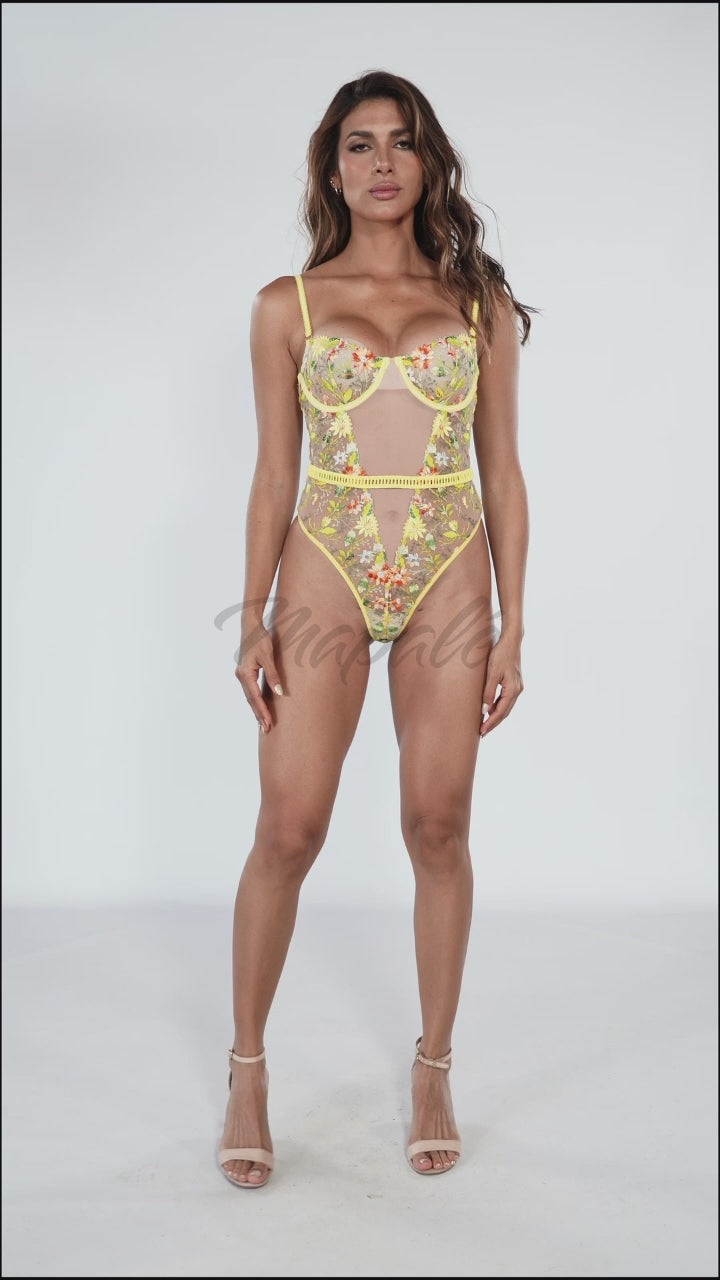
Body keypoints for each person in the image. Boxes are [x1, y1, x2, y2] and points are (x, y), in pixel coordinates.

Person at [219, 70, 534, 1188]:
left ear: (428, 160)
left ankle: (434, 1065)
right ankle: (247, 1069)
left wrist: (513, 627)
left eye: (402, 142)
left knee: (438, 823)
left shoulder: (478, 303)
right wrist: (252, 617)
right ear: (333, 168)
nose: (383, 162)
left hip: (449, 566)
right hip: (328, 565)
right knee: (290, 825)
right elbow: (274, 473)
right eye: (360, 144)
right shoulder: (288, 306)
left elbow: (502, 471)